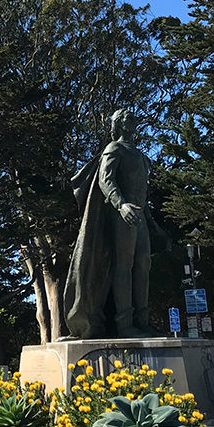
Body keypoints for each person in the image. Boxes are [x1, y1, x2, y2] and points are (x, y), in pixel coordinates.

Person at [63, 109, 168, 339]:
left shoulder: (139, 156)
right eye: (129, 118)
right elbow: (105, 180)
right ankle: (125, 325)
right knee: (124, 266)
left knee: (143, 266)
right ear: (119, 124)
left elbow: (142, 193)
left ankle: (142, 321)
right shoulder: (114, 149)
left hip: (139, 218)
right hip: (122, 216)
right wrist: (121, 206)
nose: (135, 121)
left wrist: (151, 222)